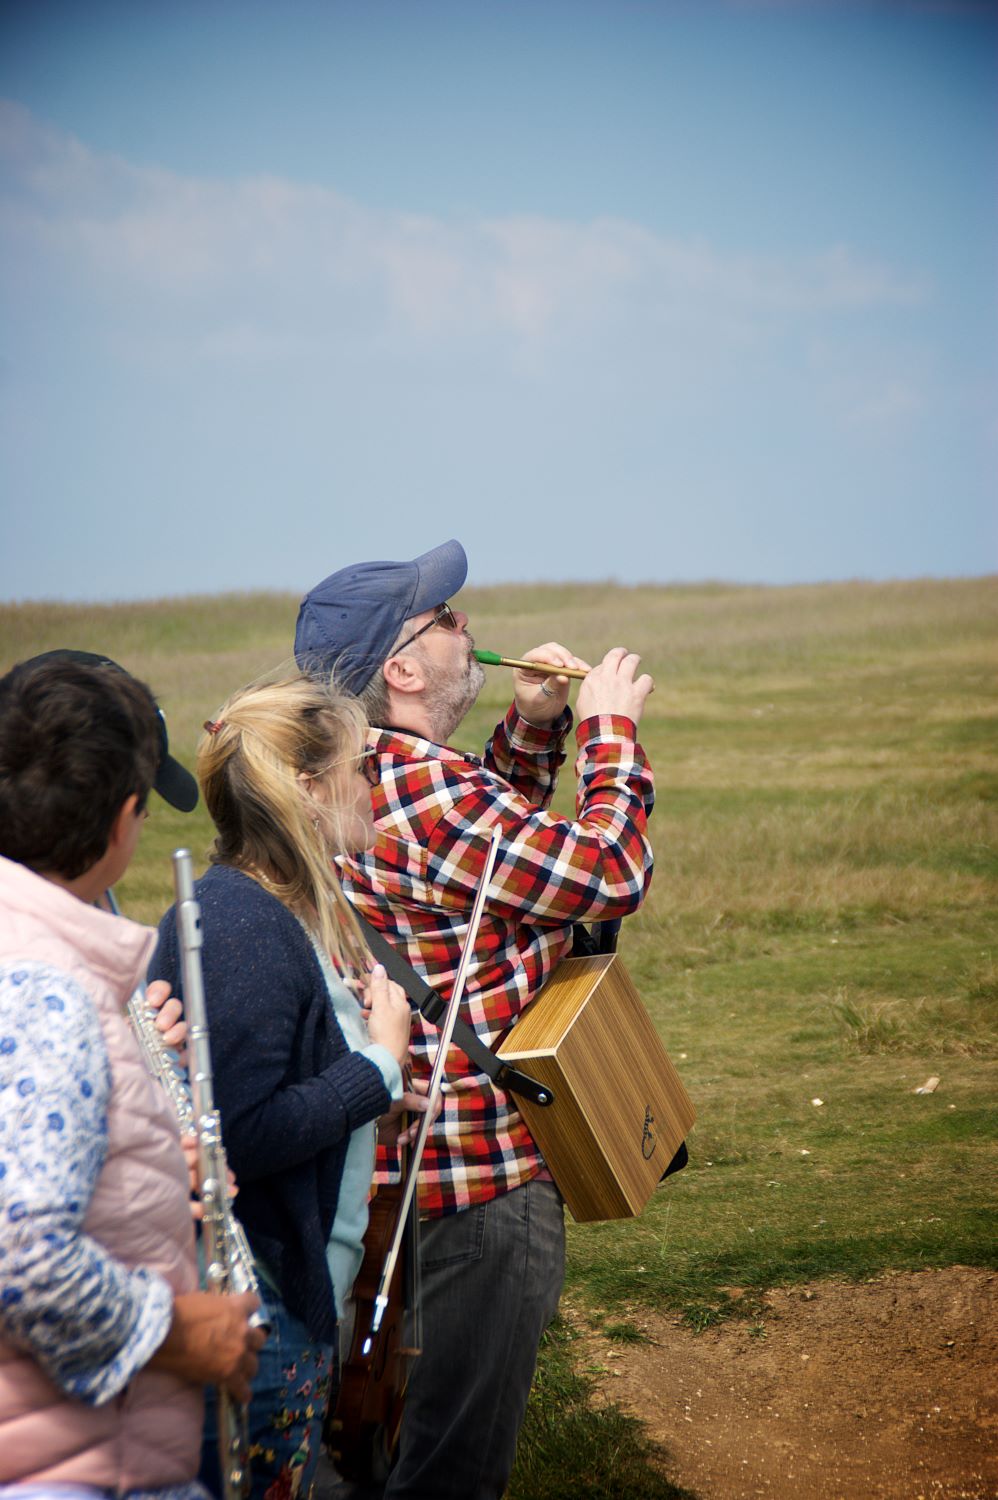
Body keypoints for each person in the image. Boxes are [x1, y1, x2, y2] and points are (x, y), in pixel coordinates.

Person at [294, 539, 655, 1500]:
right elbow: (607, 872)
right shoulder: (431, 790)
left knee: (388, 1441)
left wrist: (532, 730)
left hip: (399, 1165)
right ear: (404, 670)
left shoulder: (361, 770)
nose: (467, 626)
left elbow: (482, 871)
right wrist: (609, 735)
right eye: (446, 618)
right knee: (455, 1469)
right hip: (484, 1182)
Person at [150, 675, 428, 1500]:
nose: (374, 785)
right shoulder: (242, 924)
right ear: (307, 790)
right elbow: (239, 1133)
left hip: (264, 1309)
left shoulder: (257, 911)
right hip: (258, 1316)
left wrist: (372, 1102)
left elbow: (264, 1086)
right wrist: (377, 1067)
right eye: (361, 767)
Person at [0, 651, 264, 1499]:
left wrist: (139, 1165)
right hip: (68, 1470)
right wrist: (177, 1334)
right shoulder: (45, 988)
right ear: (123, 822)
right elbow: (22, 1258)